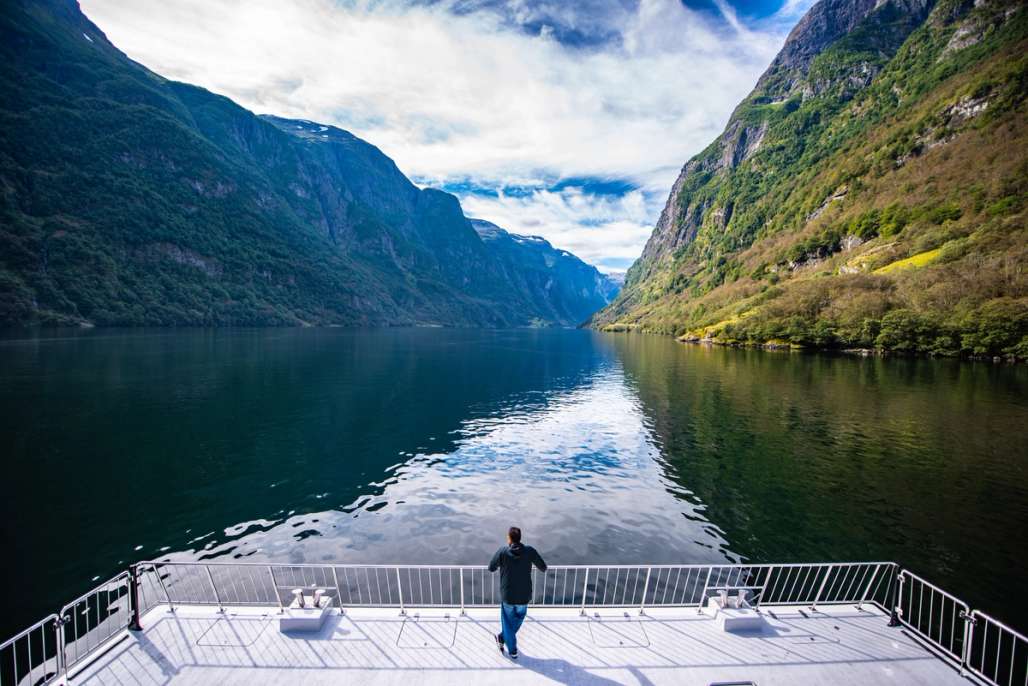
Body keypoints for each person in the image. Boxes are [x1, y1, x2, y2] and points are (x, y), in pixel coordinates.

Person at [488, 526, 547, 659]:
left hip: (508, 596)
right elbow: (543, 567)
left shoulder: (503, 552)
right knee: (517, 619)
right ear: (520, 538)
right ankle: (502, 638)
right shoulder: (529, 551)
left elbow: (491, 567)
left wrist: (502, 565)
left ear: (509, 538)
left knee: (508, 622)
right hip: (524, 596)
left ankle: (511, 649)